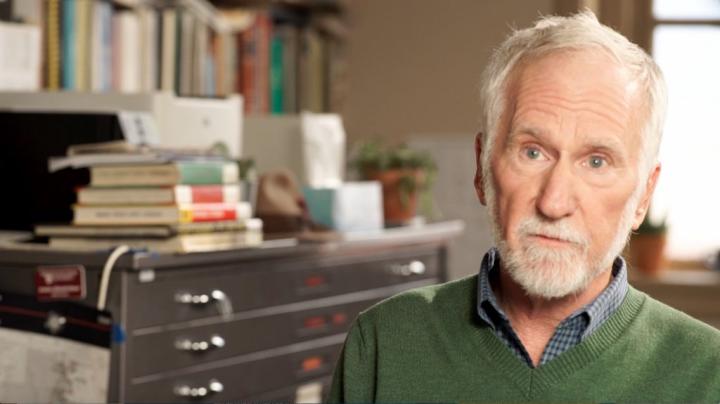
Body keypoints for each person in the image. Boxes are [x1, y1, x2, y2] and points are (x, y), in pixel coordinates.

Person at [327, 11, 720, 403]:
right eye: (532, 152)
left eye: (597, 162)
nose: (554, 203)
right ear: (482, 169)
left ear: (644, 196)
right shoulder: (382, 344)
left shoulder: (708, 374)